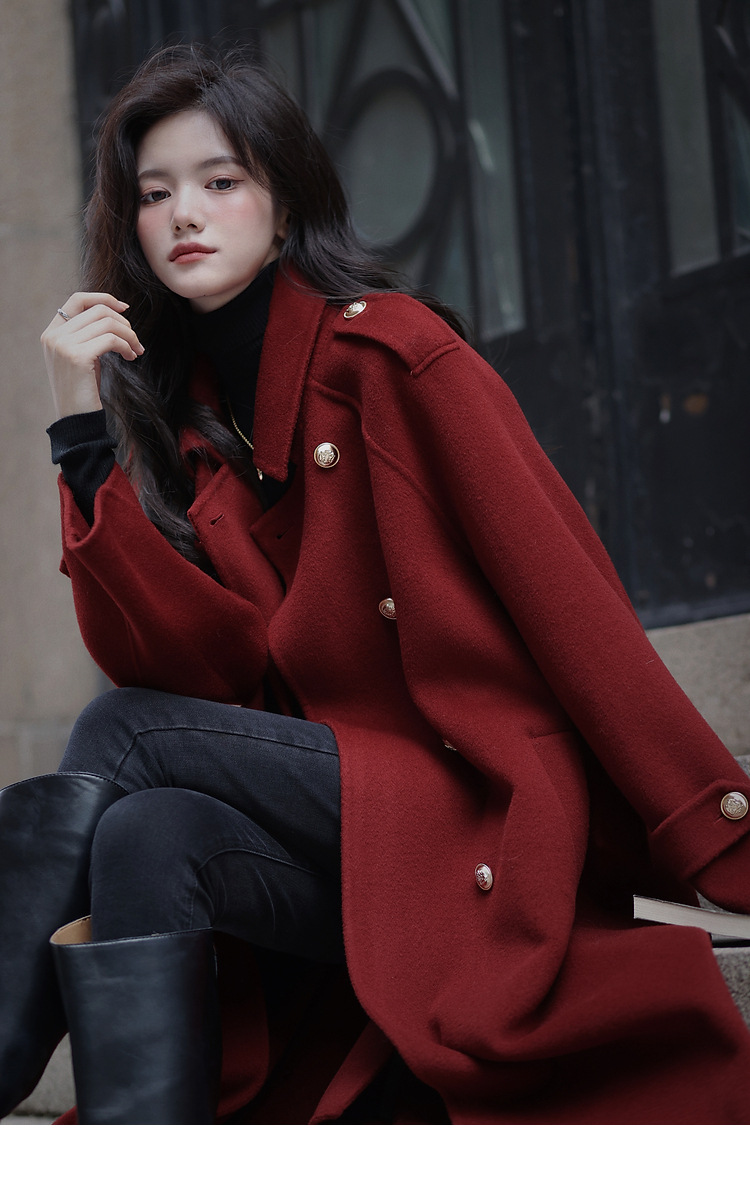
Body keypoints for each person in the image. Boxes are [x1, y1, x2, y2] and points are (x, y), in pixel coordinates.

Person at [1, 42, 750, 1126]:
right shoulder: (192, 430)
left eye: (221, 181)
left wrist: (715, 824)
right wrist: (83, 439)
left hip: (467, 801)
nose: (185, 215)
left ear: (285, 206)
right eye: (154, 194)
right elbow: (198, 675)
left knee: (120, 732)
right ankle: (146, 1160)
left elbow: (571, 604)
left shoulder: (395, 358)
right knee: (144, 831)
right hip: (346, 827)